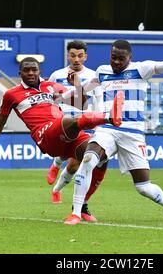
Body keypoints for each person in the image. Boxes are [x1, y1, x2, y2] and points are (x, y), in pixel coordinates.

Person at [63, 40, 163, 225]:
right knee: (88, 161)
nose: (116, 62)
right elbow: (84, 92)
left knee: (143, 187)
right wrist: (76, 85)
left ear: (129, 58)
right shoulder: (102, 71)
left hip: (132, 133)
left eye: (120, 59)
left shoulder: (141, 69)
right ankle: (75, 213)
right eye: (113, 57)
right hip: (107, 129)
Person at [0, 58, 124, 204]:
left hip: (65, 134)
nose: (31, 73)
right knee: (69, 120)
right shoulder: (11, 95)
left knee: (99, 155)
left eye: (34, 69)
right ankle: (109, 118)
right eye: (27, 70)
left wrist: (76, 84)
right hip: (45, 136)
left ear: (40, 71)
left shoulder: (51, 86)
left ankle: (82, 207)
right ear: (20, 73)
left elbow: (82, 105)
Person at [46, 40, 105, 209]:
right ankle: (56, 164)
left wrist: (98, 120)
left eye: (80, 55)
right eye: (73, 55)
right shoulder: (57, 75)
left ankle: (56, 189)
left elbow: (99, 98)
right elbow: (49, 97)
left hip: (85, 122)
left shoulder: (94, 76)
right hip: (63, 122)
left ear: (85, 56)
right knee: (65, 155)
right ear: (67, 56)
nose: (76, 59)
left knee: (74, 164)